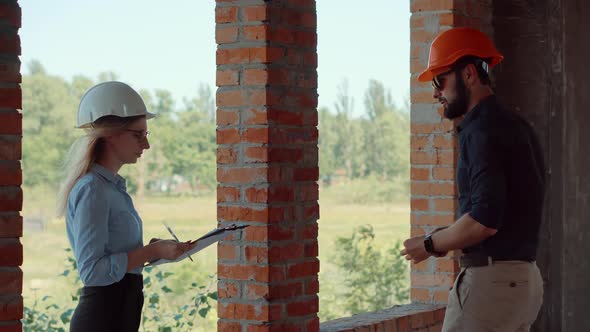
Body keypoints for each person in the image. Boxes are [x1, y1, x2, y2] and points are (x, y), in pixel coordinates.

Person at [400, 27, 545, 331]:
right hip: (525, 282)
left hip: (490, 286)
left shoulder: (481, 131)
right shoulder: (517, 125)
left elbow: (484, 220)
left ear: (468, 74)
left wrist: (429, 244)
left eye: (440, 80)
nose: (435, 92)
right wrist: (445, 237)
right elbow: (504, 210)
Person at [56, 81, 192, 332]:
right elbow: (93, 272)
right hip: (101, 321)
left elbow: (116, 259)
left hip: (119, 316)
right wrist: (151, 252)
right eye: (137, 135)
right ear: (109, 133)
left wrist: (153, 249)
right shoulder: (93, 189)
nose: (146, 145)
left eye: (146, 135)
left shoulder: (112, 188)